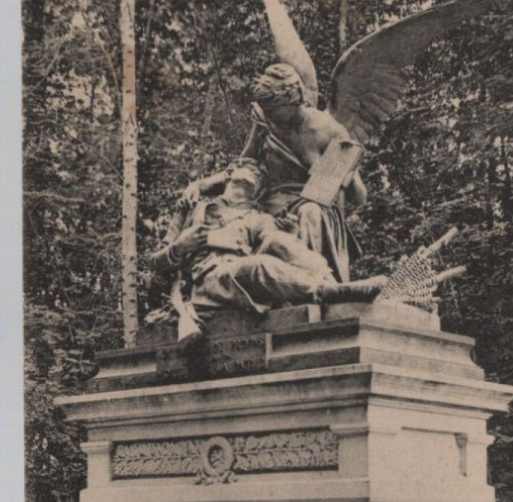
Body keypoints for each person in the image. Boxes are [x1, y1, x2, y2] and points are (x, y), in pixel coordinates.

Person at [150, 159, 382, 333]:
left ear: (258, 190)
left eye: (257, 175)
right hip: (207, 281)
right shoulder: (192, 207)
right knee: (260, 265)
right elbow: (155, 263)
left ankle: (331, 284)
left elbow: (276, 241)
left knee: (277, 241)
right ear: (229, 175)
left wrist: (290, 233)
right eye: (246, 169)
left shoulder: (257, 217)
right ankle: (327, 293)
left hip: (238, 273)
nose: (252, 174)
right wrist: (179, 247)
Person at [239, 63, 368, 282]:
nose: (269, 117)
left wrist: (348, 170)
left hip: (317, 209)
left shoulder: (329, 131)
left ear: (292, 100)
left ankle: (309, 285)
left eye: (274, 111)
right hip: (272, 204)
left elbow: (359, 198)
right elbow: (246, 161)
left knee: (309, 213)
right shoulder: (266, 122)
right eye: (267, 111)